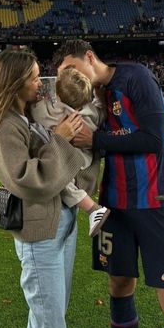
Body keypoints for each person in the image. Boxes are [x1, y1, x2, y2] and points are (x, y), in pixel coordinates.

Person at [52, 39, 164, 328]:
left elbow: (153, 140)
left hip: (154, 205)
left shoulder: (138, 79)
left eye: (72, 68)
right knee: (119, 286)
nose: (70, 77)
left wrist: (97, 139)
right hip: (112, 208)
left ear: (90, 57)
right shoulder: (89, 96)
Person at [0, 49, 86, 328]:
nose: (41, 82)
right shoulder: (5, 127)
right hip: (40, 240)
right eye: (35, 77)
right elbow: (28, 180)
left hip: (59, 228)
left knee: (47, 325)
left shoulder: (21, 116)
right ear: (15, 82)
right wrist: (60, 139)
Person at [31, 66, 110, 237]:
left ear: (57, 95)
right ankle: (91, 205)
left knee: (56, 176)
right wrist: (99, 96)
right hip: (86, 160)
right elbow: (101, 110)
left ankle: (92, 208)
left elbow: (33, 111)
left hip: (69, 160)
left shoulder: (48, 111)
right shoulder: (92, 112)